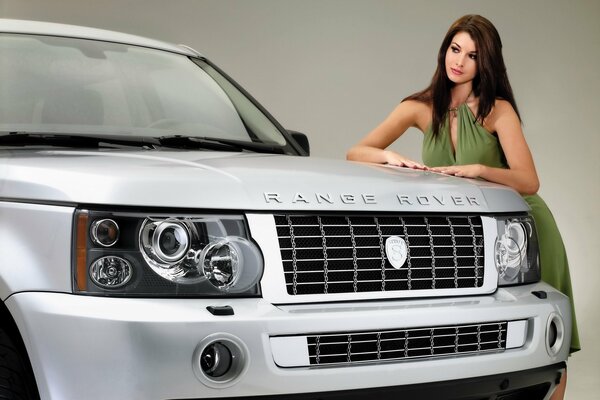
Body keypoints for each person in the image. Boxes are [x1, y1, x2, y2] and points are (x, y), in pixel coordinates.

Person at [347, 14, 579, 399]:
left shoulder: (497, 110)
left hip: (520, 232)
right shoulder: (419, 108)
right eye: (455, 49)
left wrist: (479, 169)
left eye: (471, 55)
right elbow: (357, 151)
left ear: (484, 63)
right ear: (444, 51)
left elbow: (529, 180)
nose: (459, 61)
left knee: (546, 346)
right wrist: (391, 159)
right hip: (464, 236)